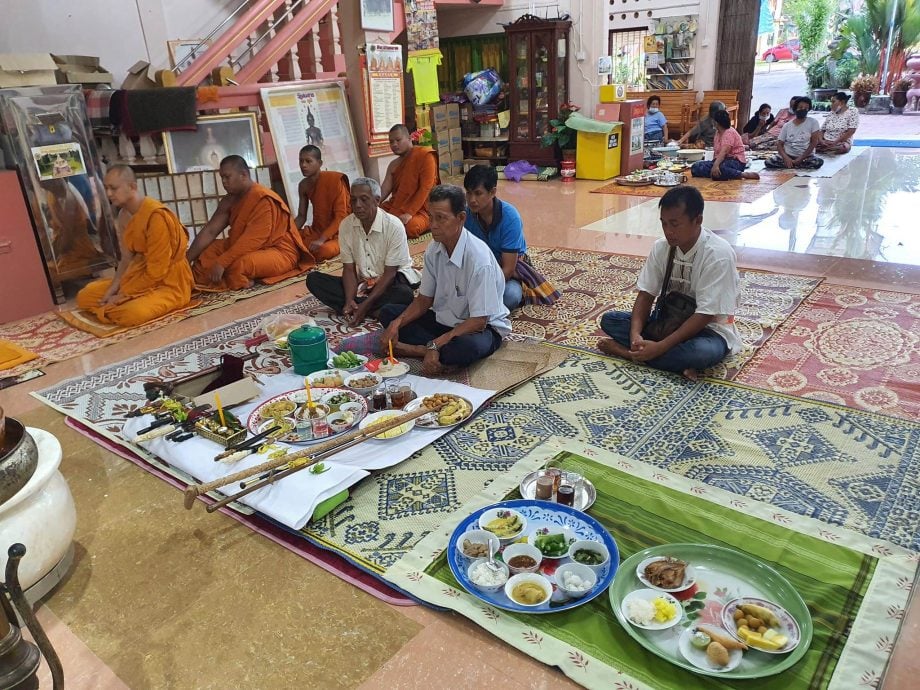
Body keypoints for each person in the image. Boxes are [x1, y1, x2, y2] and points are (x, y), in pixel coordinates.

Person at [597, 186, 741, 379]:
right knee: (610, 320)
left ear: (697, 220)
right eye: (664, 224)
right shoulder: (662, 247)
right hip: (668, 323)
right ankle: (664, 359)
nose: (668, 231)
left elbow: (706, 314)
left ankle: (627, 354)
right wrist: (635, 337)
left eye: (675, 224)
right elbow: (646, 294)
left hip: (708, 331)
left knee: (701, 352)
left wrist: (660, 347)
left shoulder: (718, 254)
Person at [379, 184, 510, 375]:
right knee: (389, 314)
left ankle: (417, 349)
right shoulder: (434, 250)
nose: (432, 225)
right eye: (431, 217)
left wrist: (434, 344)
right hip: (445, 323)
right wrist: (396, 323)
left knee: (466, 348)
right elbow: (424, 300)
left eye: (440, 218)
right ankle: (432, 349)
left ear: (461, 218)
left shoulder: (479, 259)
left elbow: (479, 321)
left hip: (480, 329)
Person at [76, 165, 193, 326]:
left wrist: (125, 294)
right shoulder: (124, 215)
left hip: (168, 282)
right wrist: (114, 288)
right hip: (138, 275)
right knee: (85, 296)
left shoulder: (156, 216)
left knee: (133, 313)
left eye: (114, 188)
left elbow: (157, 272)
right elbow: (126, 259)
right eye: (106, 188)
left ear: (132, 187)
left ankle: (116, 308)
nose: (109, 194)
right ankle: (113, 308)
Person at [187, 155, 313, 290]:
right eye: (222, 178)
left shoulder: (263, 198)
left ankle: (243, 280)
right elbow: (210, 231)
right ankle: (243, 276)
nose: (224, 182)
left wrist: (222, 262)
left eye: (227, 177)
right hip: (242, 246)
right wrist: (185, 260)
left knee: (238, 267)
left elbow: (254, 239)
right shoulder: (229, 201)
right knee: (205, 255)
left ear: (243, 175)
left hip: (278, 251)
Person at [306, 177, 419, 326]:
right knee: (314, 280)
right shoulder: (346, 225)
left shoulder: (393, 225)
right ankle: (368, 309)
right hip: (364, 284)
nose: (357, 205)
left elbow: (390, 274)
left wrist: (364, 306)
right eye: (353, 200)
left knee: (404, 294)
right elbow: (349, 270)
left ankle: (365, 308)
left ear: (377, 200)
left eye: (364, 199)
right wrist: (349, 300)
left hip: (392, 280)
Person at [462, 164, 559, 310]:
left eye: (478, 193)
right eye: (468, 193)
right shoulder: (466, 215)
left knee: (510, 296)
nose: (472, 199)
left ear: (492, 192)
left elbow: (507, 269)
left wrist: (481, 291)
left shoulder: (510, 217)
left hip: (504, 273)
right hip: (477, 270)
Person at [379, 123, 440, 239]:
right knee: (374, 215)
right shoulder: (393, 165)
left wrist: (409, 213)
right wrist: (373, 203)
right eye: (391, 142)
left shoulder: (425, 156)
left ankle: (430, 223)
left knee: (411, 227)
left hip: (422, 209)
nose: (394, 145)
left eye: (398, 140)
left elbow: (425, 188)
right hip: (398, 205)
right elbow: (385, 188)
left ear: (409, 138)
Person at [293, 145, 350, 262]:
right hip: (318, 230)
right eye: (301, 161)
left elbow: (341, 217)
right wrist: (287, 234)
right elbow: (301, 217)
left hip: (340, 233)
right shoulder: (303, 185)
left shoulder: (334, 181)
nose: (303, 165)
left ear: (320, 163)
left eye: (308, 161)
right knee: (292, 244)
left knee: (324, 250)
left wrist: (322, 240)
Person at [690, 110, 760, 181]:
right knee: (696, 167)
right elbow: (717, 154)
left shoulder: (729, 132)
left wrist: (715, 165)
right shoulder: (718, 132)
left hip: (735, 161)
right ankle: (723, 174)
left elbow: (724, 152)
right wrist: (714, 164)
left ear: (716, 123)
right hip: (722, 161)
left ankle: (742, 174)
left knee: (720, 169)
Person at [764, 96, 823, 170]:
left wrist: (801, 158)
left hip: (805, 156)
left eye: (806, 108)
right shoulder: (787, 125)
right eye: (800, 107)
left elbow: (814, 143)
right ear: (795, 109)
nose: (803, 110)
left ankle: (793, 164)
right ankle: (792, 164)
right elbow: (779, 144)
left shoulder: (813, 122)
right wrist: (786, 158)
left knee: (818, 162)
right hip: (789, 154)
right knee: (768, 162)